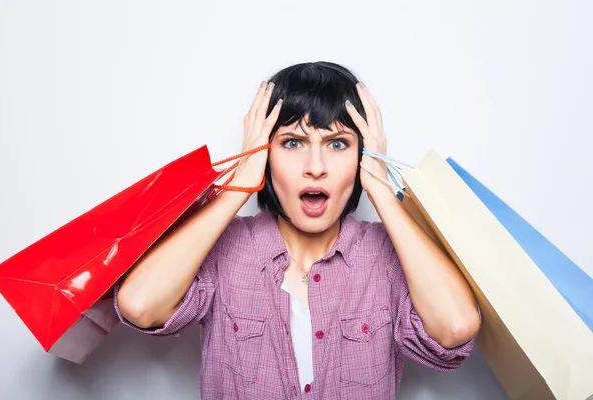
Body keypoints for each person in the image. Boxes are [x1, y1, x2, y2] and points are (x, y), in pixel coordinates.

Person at [113, 61, 481, 399]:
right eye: (292, 143)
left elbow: (455, 327)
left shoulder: (388, 257)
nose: (315, 167)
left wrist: (381, 189)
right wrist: (241, 182)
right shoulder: (224, 250)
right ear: (265, 153)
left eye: (338, 144)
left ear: (362, 155)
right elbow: (140, 306)